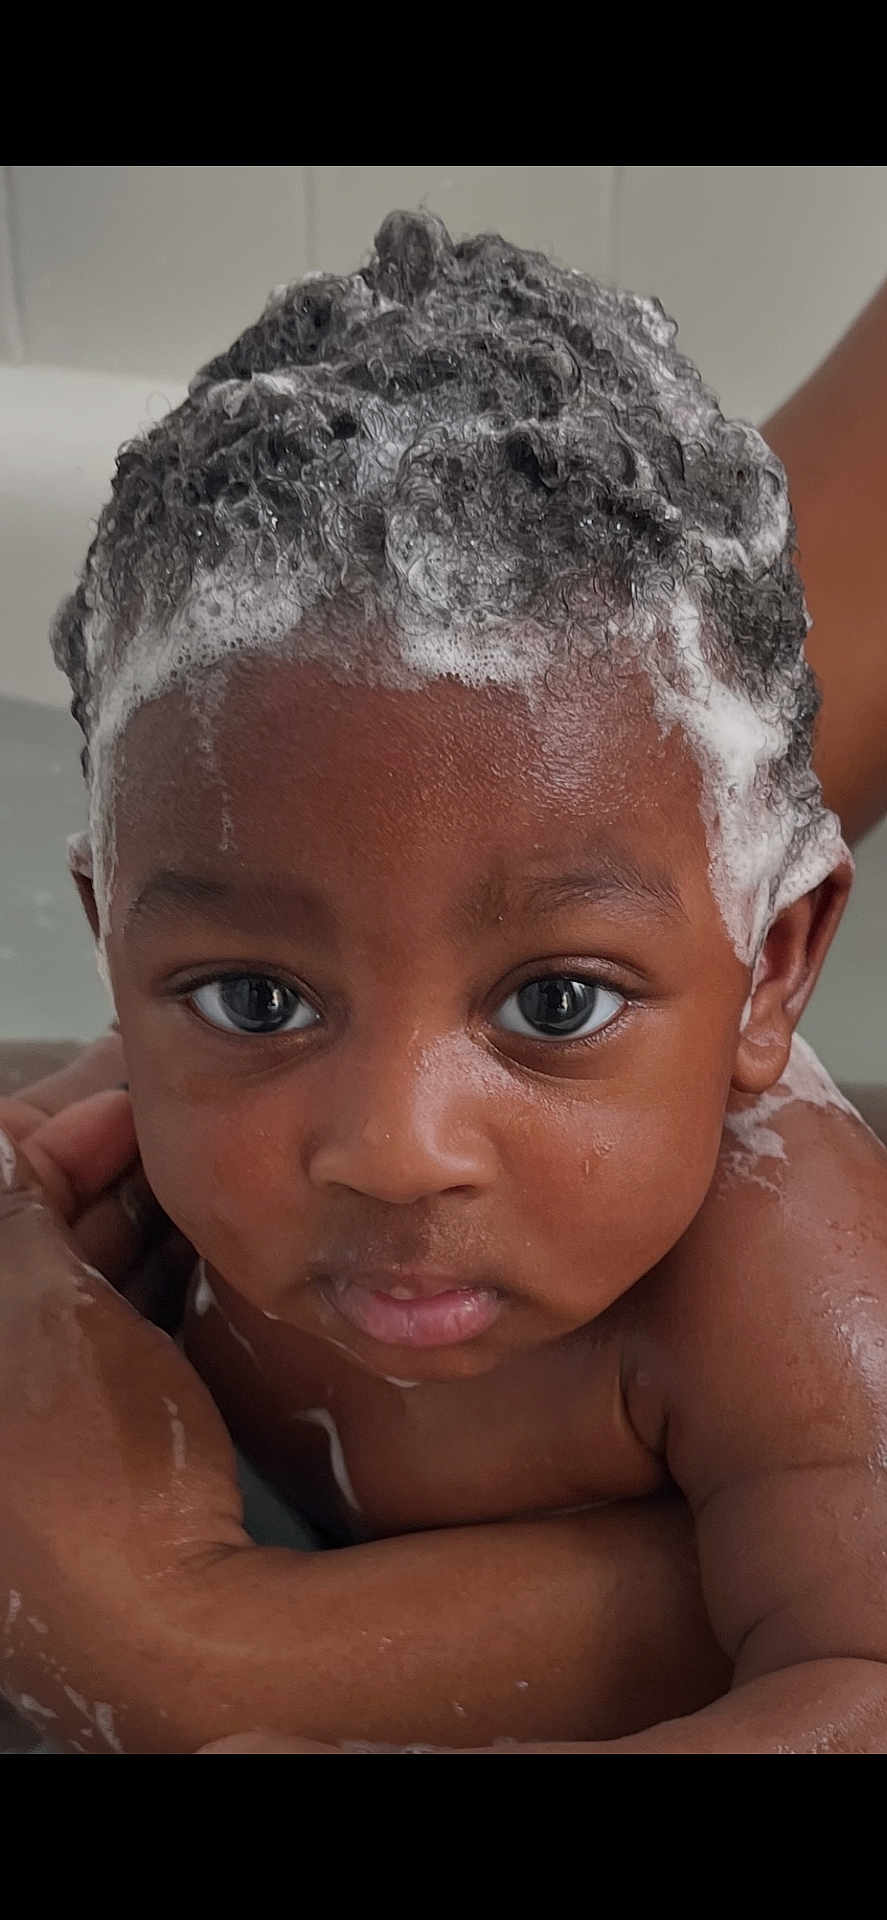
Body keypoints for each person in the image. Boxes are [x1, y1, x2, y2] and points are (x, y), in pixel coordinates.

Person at [2, 212, 886, 1755]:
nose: (396, 1147)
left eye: (555, 1004)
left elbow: (866, 1684)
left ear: (776, 967)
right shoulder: (142, 1168)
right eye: (256, 999)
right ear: (112, 942)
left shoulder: (769, 1281)